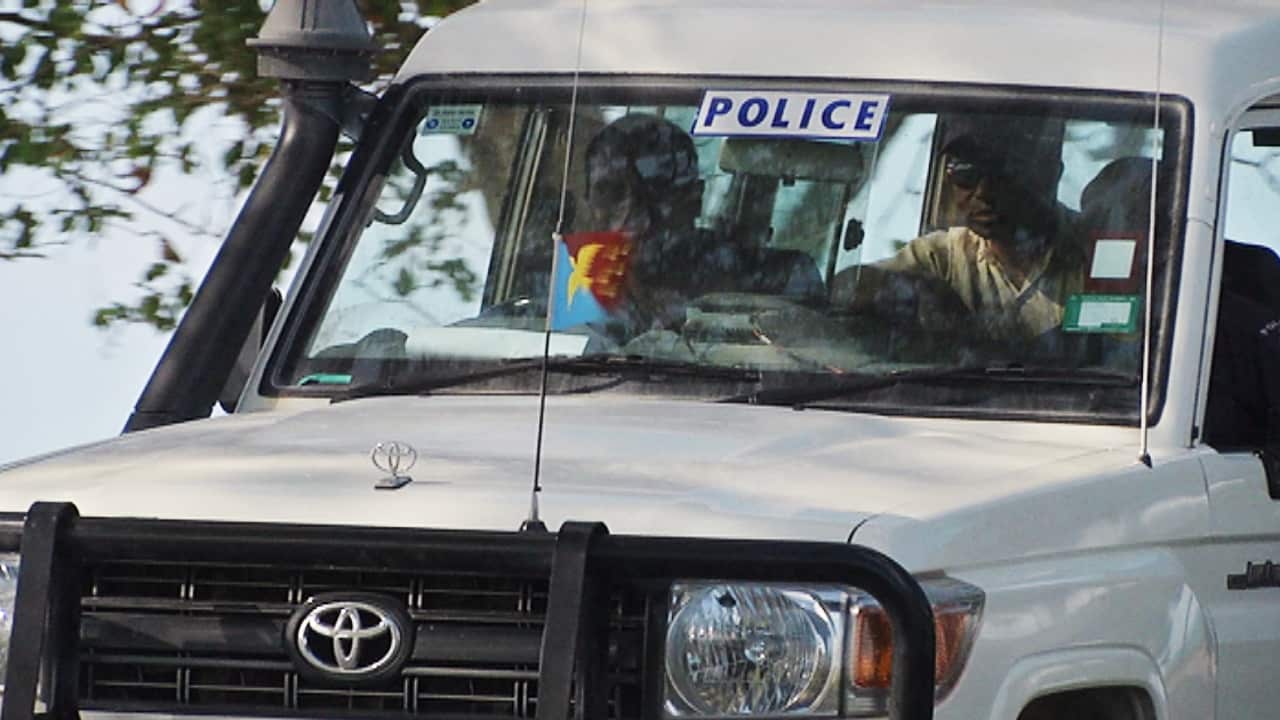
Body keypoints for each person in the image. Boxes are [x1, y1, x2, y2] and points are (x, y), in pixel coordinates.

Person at [835, 115, 1085, 344]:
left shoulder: (1095, 250)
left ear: (1050, 173)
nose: (983, 193)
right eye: (965, 173)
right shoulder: (940, 259)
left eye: (1002, 173)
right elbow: (847, 286)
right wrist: (915, 291)